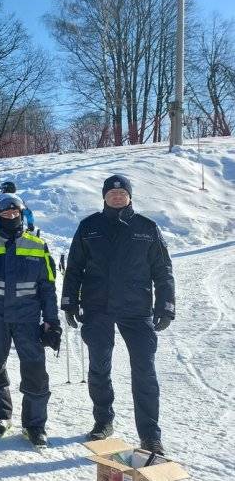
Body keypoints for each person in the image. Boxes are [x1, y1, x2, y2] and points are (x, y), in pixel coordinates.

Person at [62, 175, 175, 455]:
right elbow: (74, 267)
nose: (117, 196)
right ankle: (103, 421)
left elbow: (163, 271)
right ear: (104, 197)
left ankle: (150, 436)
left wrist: (166, 306)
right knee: (99, 366)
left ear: (130, 196)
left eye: (122, 192)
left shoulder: (146, 228)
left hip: (137, 309)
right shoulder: (89, 227)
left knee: (144, 371)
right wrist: (69, 302)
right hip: (97, 306)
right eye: (112, 193)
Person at [0, 194, 59, 448]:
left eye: (15, 212)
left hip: (28, 319)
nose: (11, 216)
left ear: (22, 213)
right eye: (5, 213)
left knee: (35, 371)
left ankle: (35, 424)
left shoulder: (37, 245)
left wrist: (52, 320)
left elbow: (48, 287)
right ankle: (0, 416)